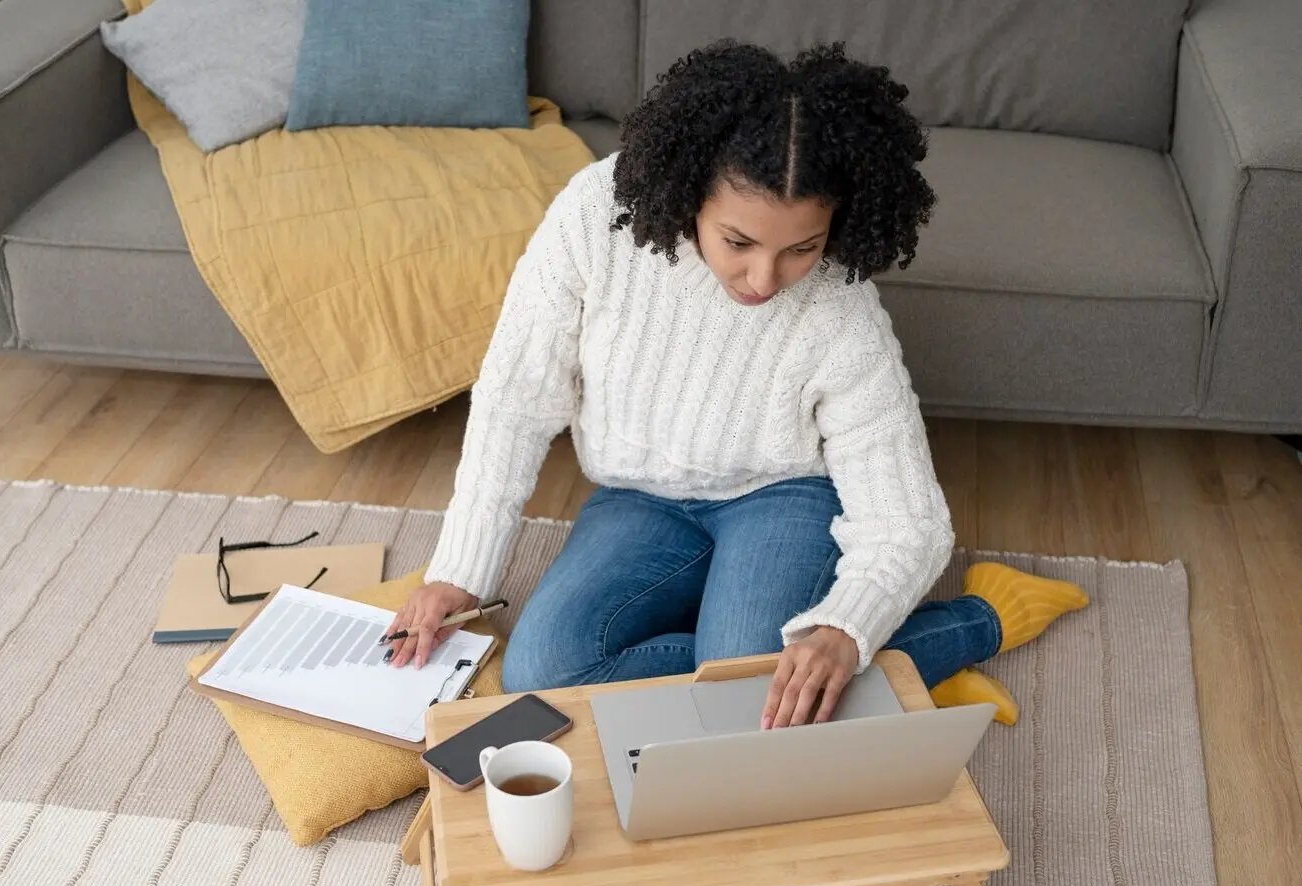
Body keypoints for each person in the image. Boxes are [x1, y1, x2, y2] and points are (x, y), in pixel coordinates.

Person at [386, 39, 1088, 729]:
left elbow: (909, 522)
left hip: (782, 499)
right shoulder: (593, 218)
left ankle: (976, 620)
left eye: (801, 249)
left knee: (754, 704)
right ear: (688, 192)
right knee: (539, 675)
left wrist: (845, 629)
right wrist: (458, 573)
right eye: (739, 242)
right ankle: (871, 676)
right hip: (640, 497)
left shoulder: (843, 312)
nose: (764, 281)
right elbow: (516, 401)